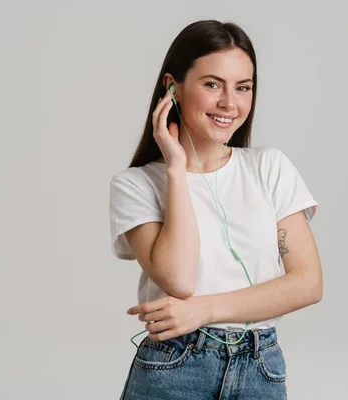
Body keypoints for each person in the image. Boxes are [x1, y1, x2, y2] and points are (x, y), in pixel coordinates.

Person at [108, 20, 322, 399]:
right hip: (174, 366)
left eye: (243, 87)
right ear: (172, 87)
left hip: (260, 366)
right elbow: (178, 280)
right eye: (212, 84)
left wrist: (203, 311)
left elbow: (307, 283)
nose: (229, 102)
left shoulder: (270, 168)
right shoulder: (135, 185)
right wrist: (176, 168)